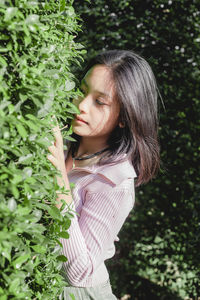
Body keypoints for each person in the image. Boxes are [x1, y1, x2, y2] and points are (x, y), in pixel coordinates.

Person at [47, 50, 160, 300]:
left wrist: (58, 178)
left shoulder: (115, 182)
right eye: (83, 90)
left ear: (124, 117)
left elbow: (79, 271)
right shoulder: (61, 142)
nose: (82, 105)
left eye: (100, 101)